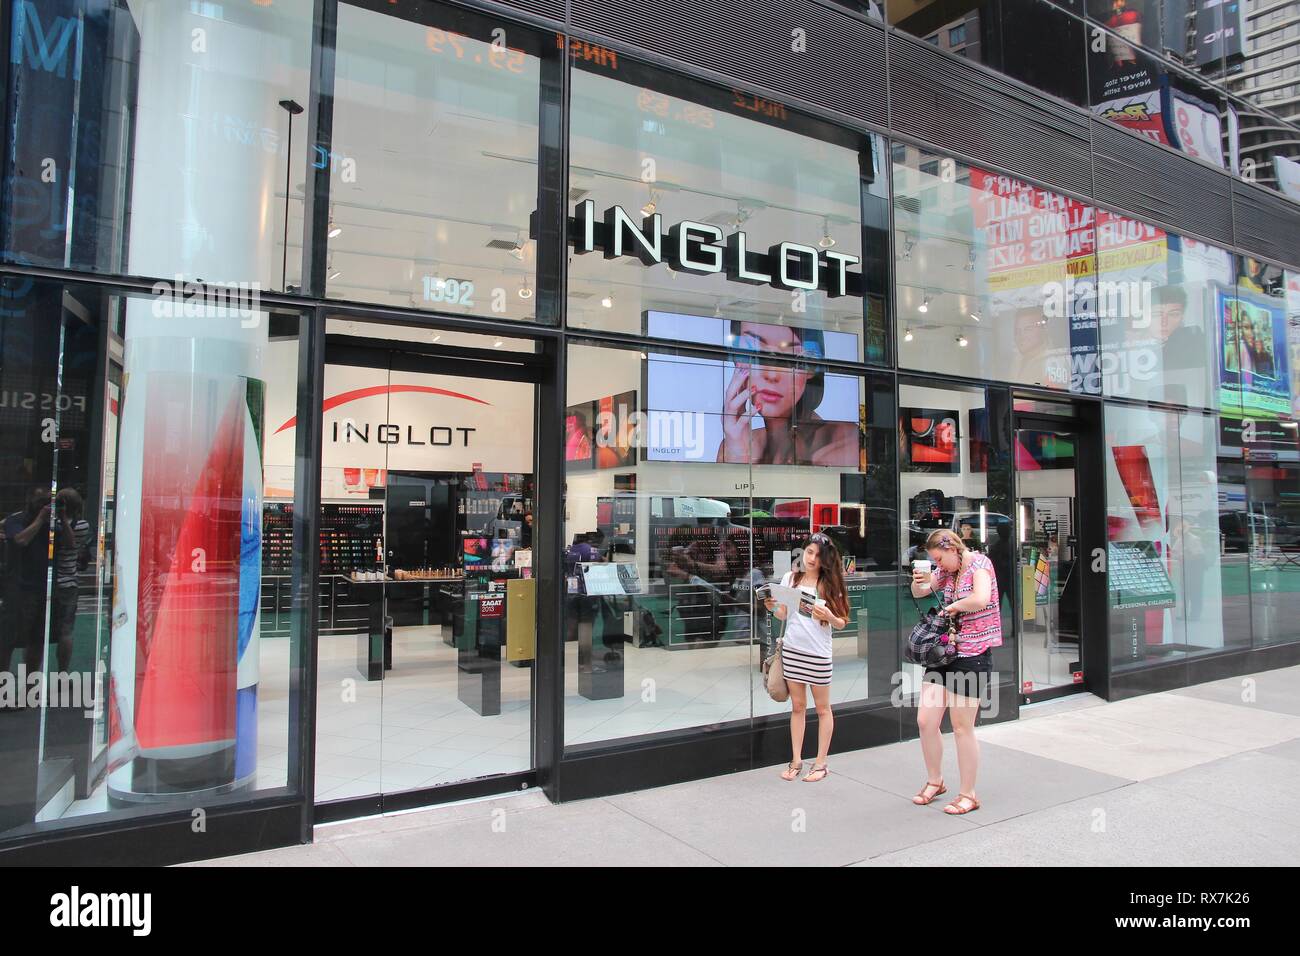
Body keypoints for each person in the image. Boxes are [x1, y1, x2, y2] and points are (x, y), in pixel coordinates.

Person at [909, 528, 1003, 815]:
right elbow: (922, 592)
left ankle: (968, 794)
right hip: (944, 653)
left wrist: (952, 607)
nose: (939, 564)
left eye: (940, 558)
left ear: (953, 549)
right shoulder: (945, 570)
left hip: (972, 653)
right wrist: (919, 582)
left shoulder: (979, 564)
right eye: (934, 560)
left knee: (962, 727)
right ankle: (935, 781)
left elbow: (981, 598)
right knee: (926, 720)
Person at [763, 533, 849, 782]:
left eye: (818, 555)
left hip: (818, 654)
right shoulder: (791, 578)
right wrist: (771, 607)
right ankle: (796, 760)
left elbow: (842, 622)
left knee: (823, 709)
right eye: (809, 552)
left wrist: (829, 616)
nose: (812, 558)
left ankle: (821, 763)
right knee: (798, 707)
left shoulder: (831, 584)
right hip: (792, 650)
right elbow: (783, 615)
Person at [716, 321, 857, 466]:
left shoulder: (845, 446)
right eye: (754, 352)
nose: (772, 375)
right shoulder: (735, 444)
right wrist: (738, 454)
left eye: (791, 359)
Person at [2, 486, 53, 678]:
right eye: (41, 501)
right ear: (29, 500)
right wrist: (40, 519)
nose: (44, 506)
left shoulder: (52, 523)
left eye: (48, 502)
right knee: (8, 640)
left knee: (37, 640)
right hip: (19, 589)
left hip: (42, 588)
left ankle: (29, 689)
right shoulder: (16, 520)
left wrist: (62, 520)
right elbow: (20, 540)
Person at [51, 488, 91, 673]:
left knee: (65, 631)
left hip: (66, 582)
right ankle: (61, 671)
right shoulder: (51, 523)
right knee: (61, 631)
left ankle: (62, 670)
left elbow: (71, 543)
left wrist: (61, 517)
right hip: (60, 583)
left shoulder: (79, 525)